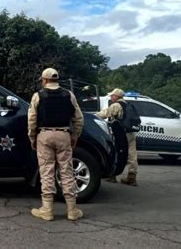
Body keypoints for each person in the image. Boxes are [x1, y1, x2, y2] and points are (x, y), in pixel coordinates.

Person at [28, 68, 84, 221]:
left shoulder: (38, 96)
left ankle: (47, 210)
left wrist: (32, 138)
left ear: (44, 80)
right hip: (63, 134)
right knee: (66, 171)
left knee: (47, 171)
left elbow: (32, 120)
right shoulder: (69, 95)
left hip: (44, 135)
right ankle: (72, 210)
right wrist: (74, 135)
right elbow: (78, 118)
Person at [97, 88, 138, 186]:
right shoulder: (128, 105)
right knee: (132, 154)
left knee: (116, 153)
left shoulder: (116, 105)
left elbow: (104, 114)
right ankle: (132, 177)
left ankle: (112, 176)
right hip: (131, 133)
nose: (111, 97)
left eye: (112, 95)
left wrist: (93, 116)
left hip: (120, 134)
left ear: (116, 96)